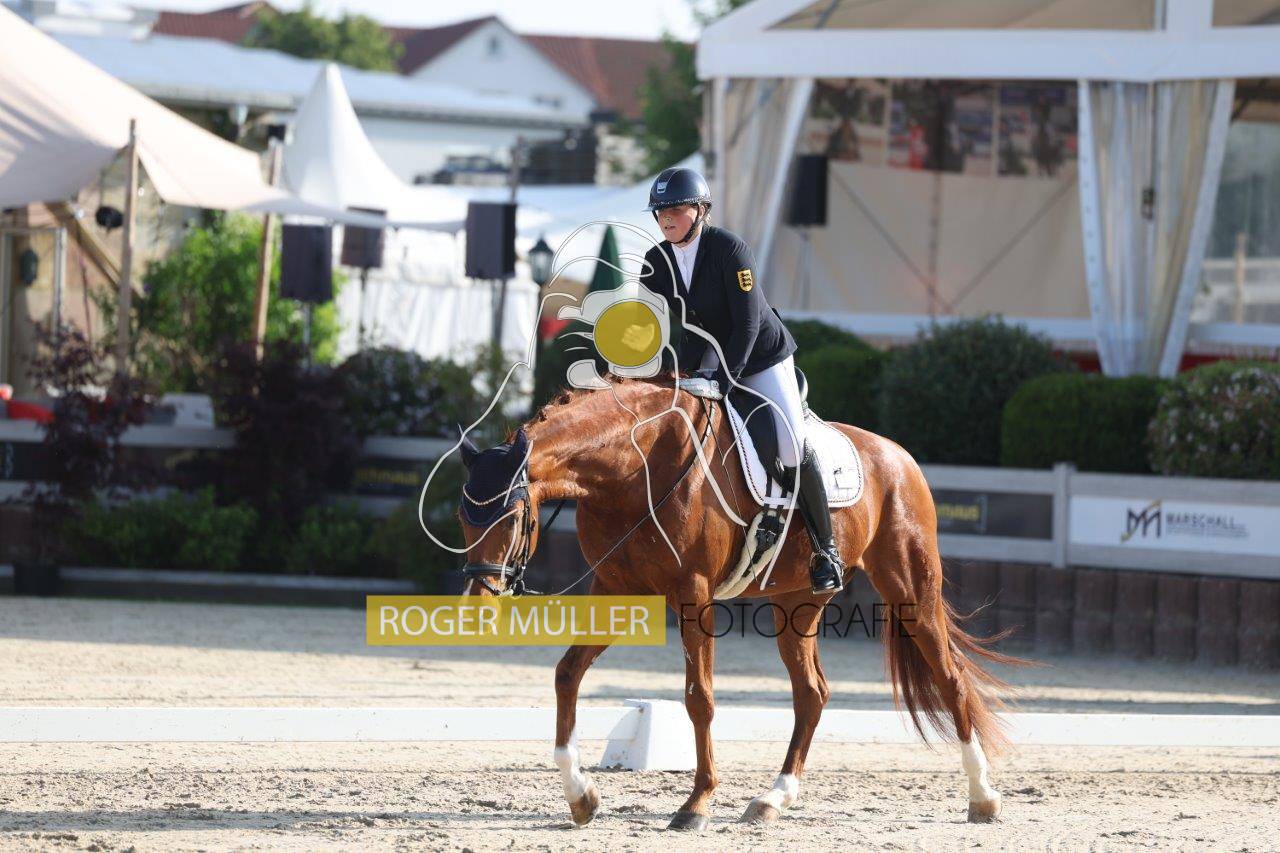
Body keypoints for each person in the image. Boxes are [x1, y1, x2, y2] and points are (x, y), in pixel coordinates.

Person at [637, 166, 844, 594]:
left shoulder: (729, 249)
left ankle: (826, 550)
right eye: (660, 211)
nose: (666, 218)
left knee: (790, 444)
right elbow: (652, 325)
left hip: (761, 355)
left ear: (700, 210)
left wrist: (724, 378)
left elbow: (747, 325)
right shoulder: (656, 261)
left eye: (676, 208)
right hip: (707, 351)